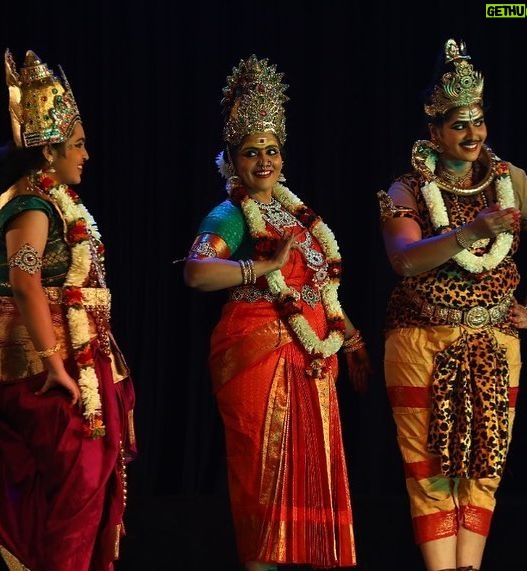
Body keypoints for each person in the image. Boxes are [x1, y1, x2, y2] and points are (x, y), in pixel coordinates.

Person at [377, 38, 527, 571]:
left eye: (477, 122)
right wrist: (468, 234)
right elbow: (405, 260)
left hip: (495, 341)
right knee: (431, 468)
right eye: (459, 125)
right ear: (434, 131)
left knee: (484, 468)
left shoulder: (511, 181)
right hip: (421, 339)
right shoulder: (406, 188)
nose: (472, 134)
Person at [182, 54, 371, 571]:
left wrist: (349, 336)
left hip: (313, 360)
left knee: (313, 474)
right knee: (263, 481)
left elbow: (318, 286)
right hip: (258, 356)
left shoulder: (295, 212)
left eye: (272, 150)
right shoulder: (229, 213)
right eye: (251, 152)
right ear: (231, 159)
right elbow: (197, 272)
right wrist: (256, 267)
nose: (264, 161)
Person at [0, 49, 136, 571]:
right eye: (78, 145)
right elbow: (24, 280)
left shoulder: (59, 202)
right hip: (47, 369)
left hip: (83, 360)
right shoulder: (31, 204)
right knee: (74, 483)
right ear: (50, 151)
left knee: (86, 486)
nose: (87, 155)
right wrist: (55, 362)